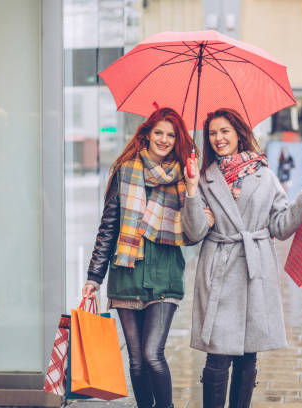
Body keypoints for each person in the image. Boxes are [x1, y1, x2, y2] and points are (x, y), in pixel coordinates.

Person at [181, 108, 302, 408]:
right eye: (212, 133)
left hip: (255, 268)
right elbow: (194, 232)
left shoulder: (264, 173)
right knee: (218, 352)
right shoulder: (203, 176)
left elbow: (280, 226)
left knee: (249, 352)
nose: (218, 138)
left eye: (225, 131)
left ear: (239, 133)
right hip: (219, 267)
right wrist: (190, 189)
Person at [81, 107, 194, 408]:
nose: (165, 139)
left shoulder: (184, 176)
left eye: (171, 134)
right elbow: (108, 226)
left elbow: (195, 232)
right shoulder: (125, 170)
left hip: (164, 276)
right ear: (146, 134)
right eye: (159, 132)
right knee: (135, 360)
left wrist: (194, 188)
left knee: (152, 354)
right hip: (126, 274)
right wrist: (94, 277)